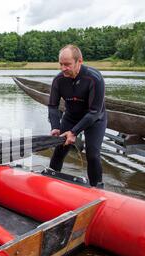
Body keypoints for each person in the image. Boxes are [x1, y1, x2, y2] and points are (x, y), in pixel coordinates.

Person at [48, 44, 107, 188]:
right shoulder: (58, 80)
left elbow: (94, 112)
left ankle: (96, 188)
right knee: (59, 149)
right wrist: (55, 127)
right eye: (61, 64)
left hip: (95, 119)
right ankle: (50, 183)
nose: (63, 68)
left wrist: (74, 132)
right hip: (71, 116)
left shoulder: (94, 78)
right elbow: (53, 106)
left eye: (67, 64)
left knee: (92, 154)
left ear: (79, 61)